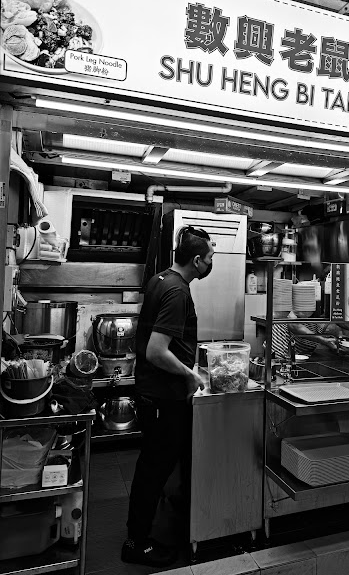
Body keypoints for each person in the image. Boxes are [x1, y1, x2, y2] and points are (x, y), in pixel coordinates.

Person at [122, 225, 214, 568]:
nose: (211, 263)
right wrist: (190, 375)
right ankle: (137, 543)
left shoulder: (161, 279)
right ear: (196, 260)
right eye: (209, 259)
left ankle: (147, 531)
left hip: (154, 393)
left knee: (155, 466)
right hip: (162, 397)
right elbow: (156, 351)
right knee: (152, 470)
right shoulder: (178, 292)